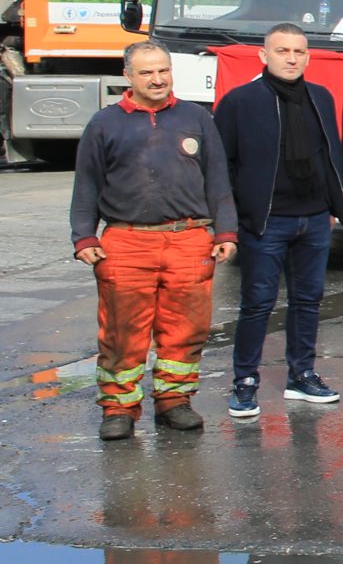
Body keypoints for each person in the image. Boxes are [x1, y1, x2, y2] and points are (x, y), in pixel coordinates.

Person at [69, 41, 237, 440]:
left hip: (189, 239)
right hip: (126, 241)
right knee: (122, 332)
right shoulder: (104, 123)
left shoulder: (196, 118)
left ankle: (174, 402)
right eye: (147, 72)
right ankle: (118, 408)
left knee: (186, 329)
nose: (158, 79)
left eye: (163, 70)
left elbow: (218, 178)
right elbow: (87, 185)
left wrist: (226, 231)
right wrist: (84, 236)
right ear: (128, 77)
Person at [211, 24, 343, 418]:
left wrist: (333, 204)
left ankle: (301, 374)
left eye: (299, 52)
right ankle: (245, 381)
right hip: (266, 221)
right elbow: (222, 165)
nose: (291, 58)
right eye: (282, 51)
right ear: (263, 55)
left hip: (314, 218)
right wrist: (233, 218)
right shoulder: (240, 102)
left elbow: (330, 153)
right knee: (257, 304)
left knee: (308, 301)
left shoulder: (320, 97)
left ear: (308, 57)